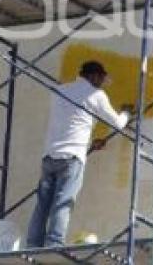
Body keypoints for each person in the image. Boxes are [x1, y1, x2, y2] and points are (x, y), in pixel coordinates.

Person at [25, 60, 131, 248]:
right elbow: (117, 124)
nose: (101, 83)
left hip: (50, 155)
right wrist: (127, 113)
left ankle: (33, 244)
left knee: (42, 206)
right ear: (94, 76)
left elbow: (70, 122)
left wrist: (90, 143)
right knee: (63, 202)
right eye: (100, 79)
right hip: (72, 159)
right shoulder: (95, 94)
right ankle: (53, 244)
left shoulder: (60, 91)